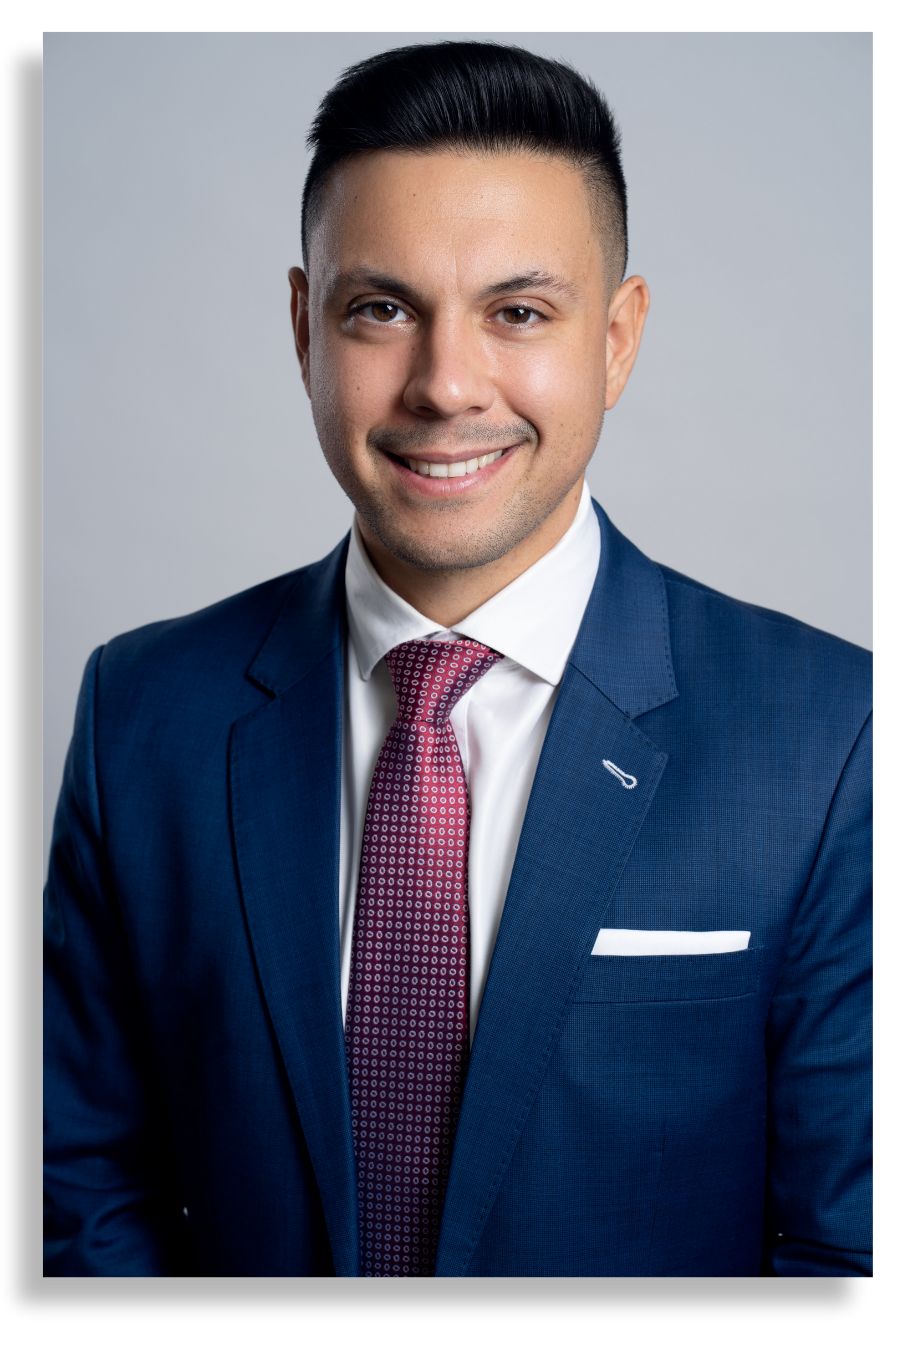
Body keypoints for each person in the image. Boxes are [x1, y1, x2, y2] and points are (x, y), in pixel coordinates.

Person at [43, 41, 871, 1278]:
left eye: (518, 313)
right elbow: (83, 1188)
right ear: (301, 328)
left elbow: (856, 1237)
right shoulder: (142, 714)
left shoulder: (827, 731)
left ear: (618, 337)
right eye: (379, 309)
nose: (443, 384)